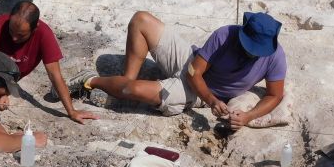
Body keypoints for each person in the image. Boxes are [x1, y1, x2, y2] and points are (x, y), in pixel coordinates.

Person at [69, 11, 286, 127]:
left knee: (132, 90)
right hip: (192, 66)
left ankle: (107, 84)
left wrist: (248, 116)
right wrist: (212, 101)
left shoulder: (275, 55)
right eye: (249, 48)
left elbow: (275, 95)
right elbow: (193, 71)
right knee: (141, 20)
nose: (252, 54)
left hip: (196, 93)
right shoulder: (225, 35)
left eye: (258, 51)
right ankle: (104, 81)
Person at [0, 1, 99, 125]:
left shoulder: (44, 35)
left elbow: (55, 75)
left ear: (34, 29)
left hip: (5, 81)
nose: (14, 38)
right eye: (11, 31)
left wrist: (71, 111)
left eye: (21, 35)